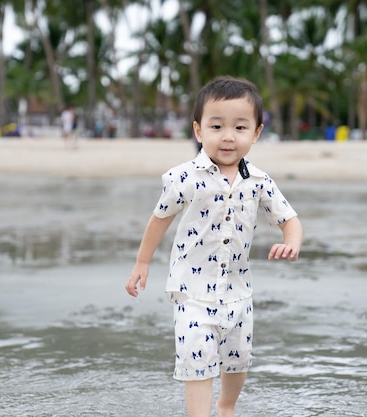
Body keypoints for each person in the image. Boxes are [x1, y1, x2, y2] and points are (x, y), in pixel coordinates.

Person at [125, 76, 303, 417]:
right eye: (217, 126)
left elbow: (289, 219)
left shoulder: (259, 182)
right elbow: (159, 219)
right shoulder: (185, 177)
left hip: (238, 292)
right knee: (198, 362)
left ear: (256, 133)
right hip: (191, 292)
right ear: (198, 130)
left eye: (239, 127)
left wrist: (291, 241)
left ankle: (226, 407)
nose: (228, 136)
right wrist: (142, 263)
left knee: (237, 361)